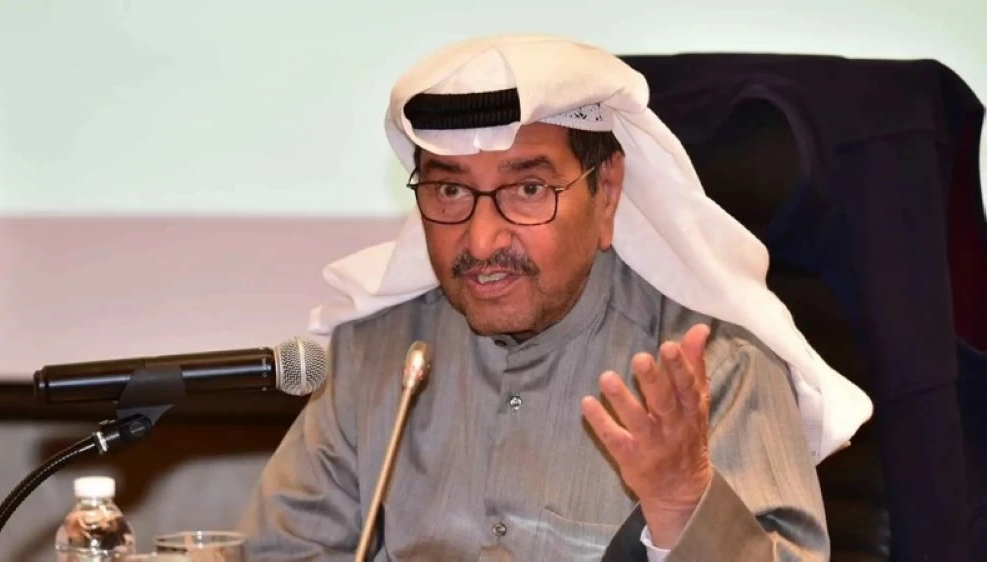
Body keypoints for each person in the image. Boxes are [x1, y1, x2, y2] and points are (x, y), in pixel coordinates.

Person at [238, 34, 872, 561]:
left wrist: (683, 505)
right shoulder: (376, 355)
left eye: (529, 190)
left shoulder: (717, 367)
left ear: (607, 192)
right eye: (450, 191)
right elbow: (276, 552)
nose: (481, 240)